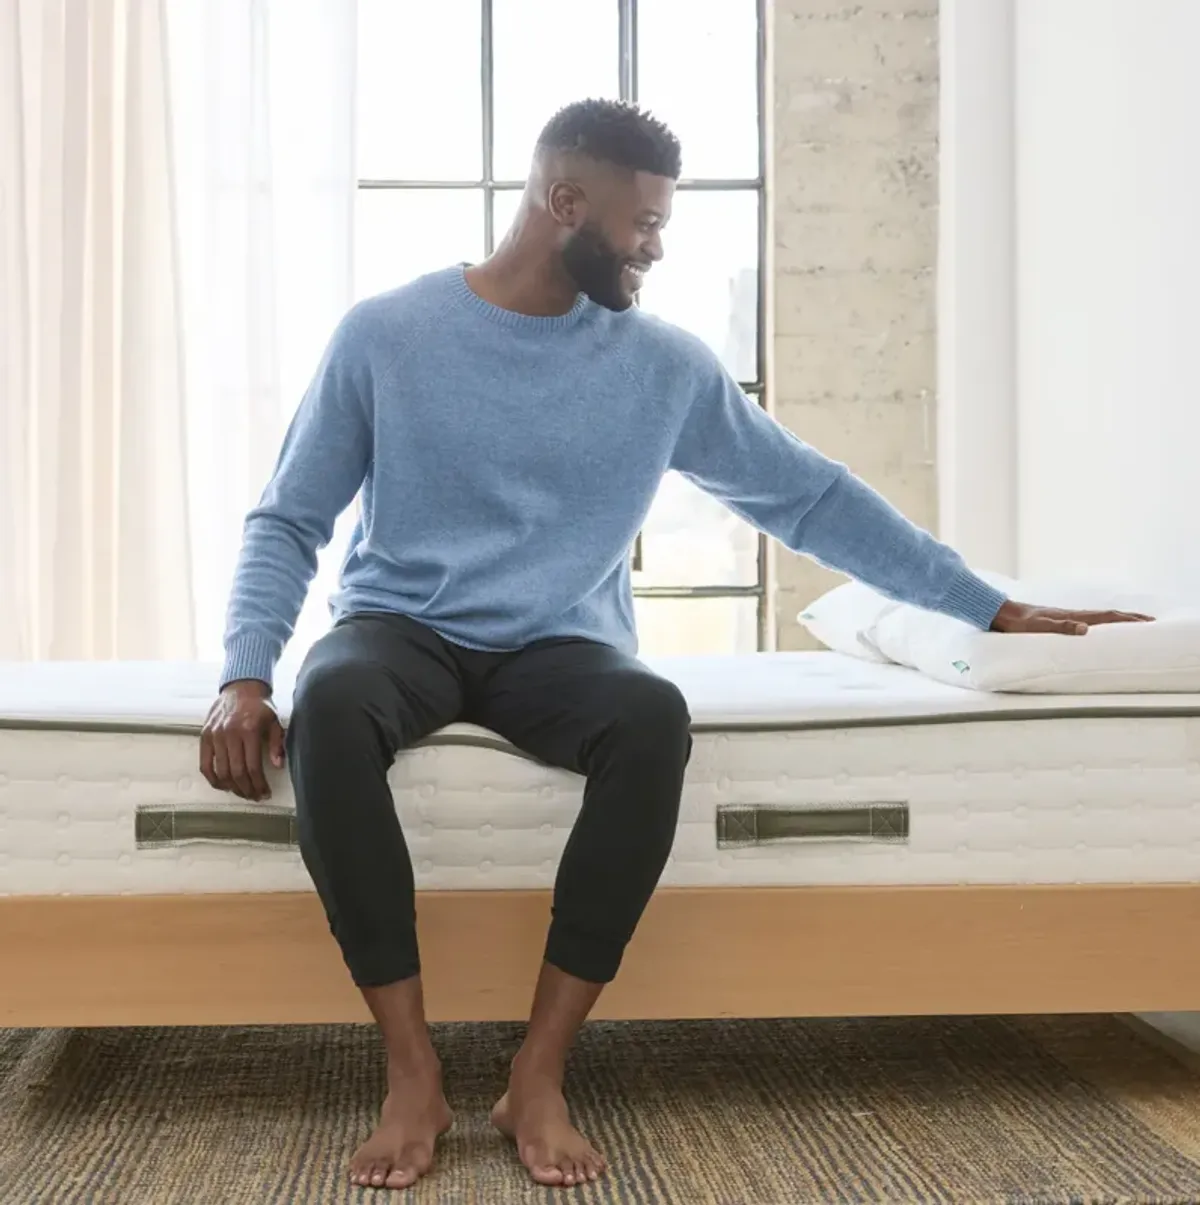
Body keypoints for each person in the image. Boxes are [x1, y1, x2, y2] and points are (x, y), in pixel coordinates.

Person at [199, 99, 1149, 1191]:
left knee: (653, 714)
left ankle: (538, 1071)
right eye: (644, 223)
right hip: (402, 626)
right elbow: (290, 517)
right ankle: (411, 1068)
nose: (656, 247)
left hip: (561, 643)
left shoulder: (663, 366)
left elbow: (809, 497)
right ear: (565, 202)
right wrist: (245, 672)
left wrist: (984, 604)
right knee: (332, 699)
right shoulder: (387, 334)